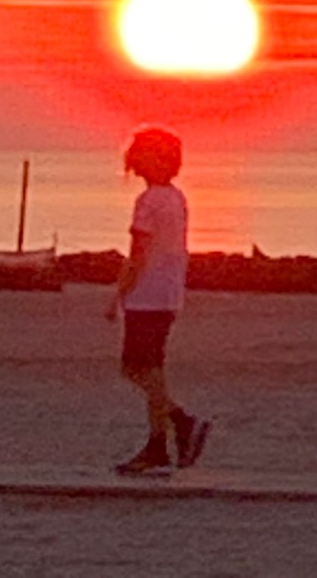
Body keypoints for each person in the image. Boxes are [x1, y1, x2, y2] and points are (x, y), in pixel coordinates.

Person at [106, 127, 210, 477]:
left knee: (139, 368)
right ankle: (161, 442)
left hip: (147, 296)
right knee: (147, 369)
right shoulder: (176, 197)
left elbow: (137, 254)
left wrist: (118, 293)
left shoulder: (149, 201)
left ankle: (177, 426)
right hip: (167, 293)